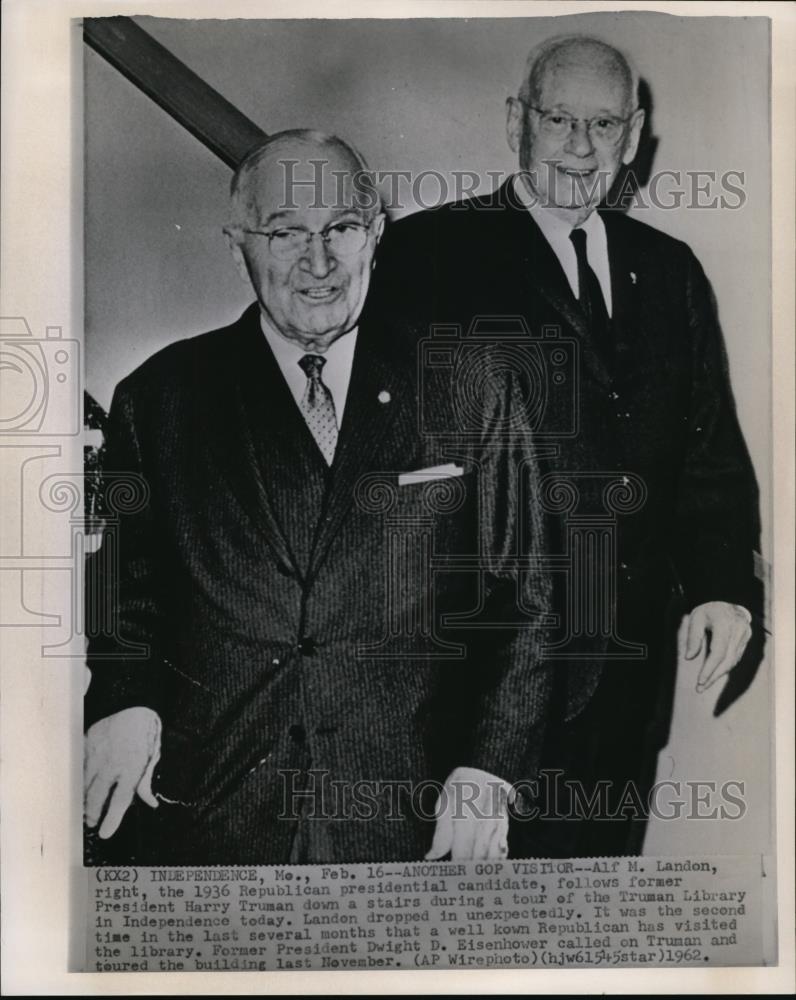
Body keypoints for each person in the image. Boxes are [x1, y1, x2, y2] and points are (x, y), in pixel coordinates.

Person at [83, 130, 552, 865]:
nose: (319, 263)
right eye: (285, 233)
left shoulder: (472, 386)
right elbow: (126, 595)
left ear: (376, 234)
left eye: (340, 229)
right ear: (237, 244)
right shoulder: (159, 399)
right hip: (213, 819)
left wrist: (489, 766)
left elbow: (528, 597)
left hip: (413, 822)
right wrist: (126, 699)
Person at [371, 35, 763, 856]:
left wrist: (723, 586)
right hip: (480, 679)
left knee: (591, 910)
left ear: (635, 131)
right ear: (516, 119)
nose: (582, 149)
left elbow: (708, 455)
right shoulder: (427, 255)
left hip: (627, 673)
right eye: (559, 120)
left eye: (604, 124)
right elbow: (396, 475)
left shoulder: (671, 272)